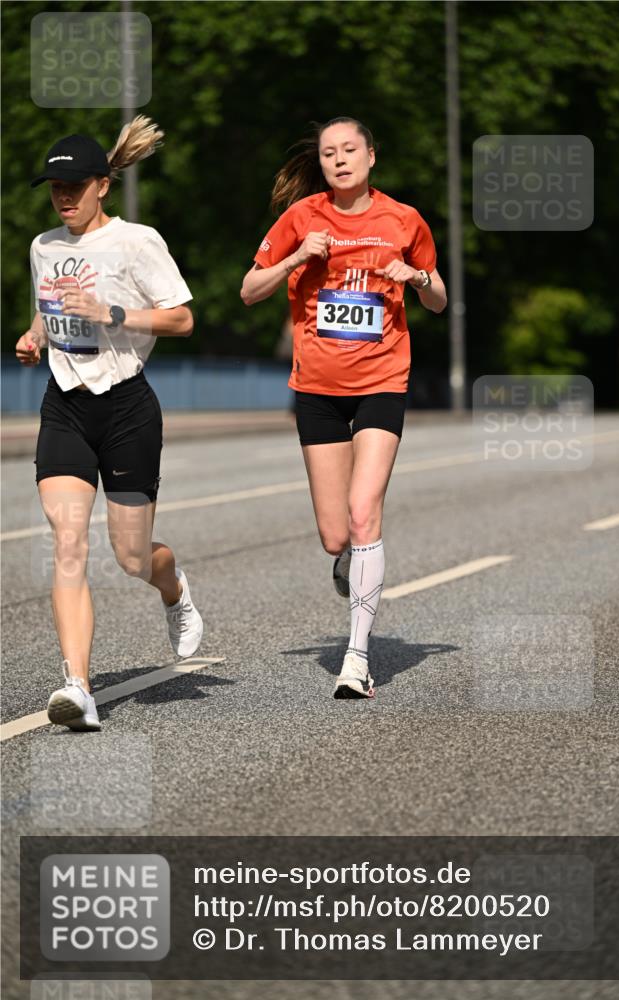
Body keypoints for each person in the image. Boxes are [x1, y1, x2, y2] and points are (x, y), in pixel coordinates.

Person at [241, 116, 446, 699]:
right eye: (329, 153)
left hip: (383, 378)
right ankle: (351, 561)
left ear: (371, 156)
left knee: (364, 512)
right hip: (318, 389)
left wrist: (417, 275)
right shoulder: (301, 218)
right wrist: (295, 257)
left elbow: (438, 299)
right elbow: (249, 290)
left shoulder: (403, 220)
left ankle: (356, 657)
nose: (339, 159)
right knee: (336, 536)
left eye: (349, 149)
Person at [15, 116, 203, 732]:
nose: (63, 197)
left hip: (126, 408)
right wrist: (35, 336)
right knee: (68, 541)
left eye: (74, 186)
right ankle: (78, 686)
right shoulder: (45, 247)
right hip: (65, 403)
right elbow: (50, 310)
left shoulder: (136, 241)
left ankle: (173, 587)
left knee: (130, 557)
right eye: (54, 188)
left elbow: (181, 321)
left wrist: (112, 311)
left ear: (102, 185)